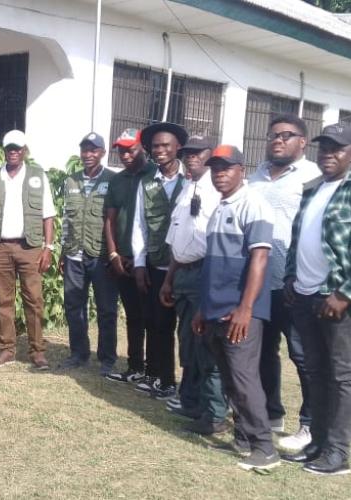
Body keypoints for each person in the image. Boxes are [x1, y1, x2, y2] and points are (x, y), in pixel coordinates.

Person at [281, 124, 351, 476]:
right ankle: (317, 442)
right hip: (307, 296)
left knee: (344, 376)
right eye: (323, 148)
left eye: (337, 149)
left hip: (340, 301)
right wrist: (289, 276)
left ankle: (338, 453)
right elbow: (298, 236)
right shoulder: (314, 189)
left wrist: (344, 294)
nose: (327, 154)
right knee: (316, 373)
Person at [189, 145, 278, 471]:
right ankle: (243, 439)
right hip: (216, 309)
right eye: (215, 169)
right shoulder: (220, 207)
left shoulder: (254, 204)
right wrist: (203, 308)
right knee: (229, 379)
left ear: (242, 169)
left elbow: (260, 258)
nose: (219, 174)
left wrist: (245, 308)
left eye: (226, 168)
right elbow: (214, 266)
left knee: (243, 379)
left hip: (240, 312)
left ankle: (264, 448)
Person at [248, 114, 322, 447]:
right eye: (273, 135)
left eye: (287, 135)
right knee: (264, 352)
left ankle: (310, 424)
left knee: (303, 356)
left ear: (302, 142)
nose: (278, 141)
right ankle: (271, 412)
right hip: (259, 283)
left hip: (294, 285)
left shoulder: (313, 177)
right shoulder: (256, 176)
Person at [158, 136, 229, 435]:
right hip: (183, 272)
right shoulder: (188, 188)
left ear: (209, 155)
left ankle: (213, 411)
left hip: (204, 272)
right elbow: (178, 238)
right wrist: (169, 279)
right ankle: (191, 400)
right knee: (187, 338)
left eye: (197, 154)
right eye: (187, 154)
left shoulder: (219, 191)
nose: (190, 158)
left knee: (204, 344)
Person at [0, 130, 56, 370]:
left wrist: (48, 247)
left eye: (17, 148)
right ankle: (7, 349)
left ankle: (37, 351)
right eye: (9, 148)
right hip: (1, 246)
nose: (13, 152)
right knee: (3, 299)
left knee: (34, 300)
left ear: (24, 150)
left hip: (30, 247)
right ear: (4, 151)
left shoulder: (37, 176)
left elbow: (48, 215)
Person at [131, 122, 189, 399]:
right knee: (158, 324)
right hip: (156, 265)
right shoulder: (147, 182)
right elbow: (139, 225)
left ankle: (187, 386)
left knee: (187, 330)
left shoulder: (192, 180)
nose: (160, 150)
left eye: (166, 145)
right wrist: (140, 264)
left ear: (178, 147)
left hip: (187, 268)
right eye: (155, 146)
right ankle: (162, 378)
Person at [59, 132, 119, 375]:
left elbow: (115, 221)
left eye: (94, 150)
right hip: (74, 254)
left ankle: (107, 358)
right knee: (74, 306)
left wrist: (115, 254)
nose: (88, 155)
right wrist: (63, 252)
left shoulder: (113, 180)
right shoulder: (71, 181)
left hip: (101, 256)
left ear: (102, 153)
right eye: (85, 150)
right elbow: (66, 219)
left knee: (106, 309)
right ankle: (78, 353)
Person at [103, 129, 153, 383]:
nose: (125, 155)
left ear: (142, 148)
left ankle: (156, 373)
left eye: (130, 149)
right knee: (133, 316)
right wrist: (113, 254)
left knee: (154, 319)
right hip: (123, 261)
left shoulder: (155, 176)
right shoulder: (117, 180)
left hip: (151, 261)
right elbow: (109, 220)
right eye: (121, 150)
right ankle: (135, 367)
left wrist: (143, 258)